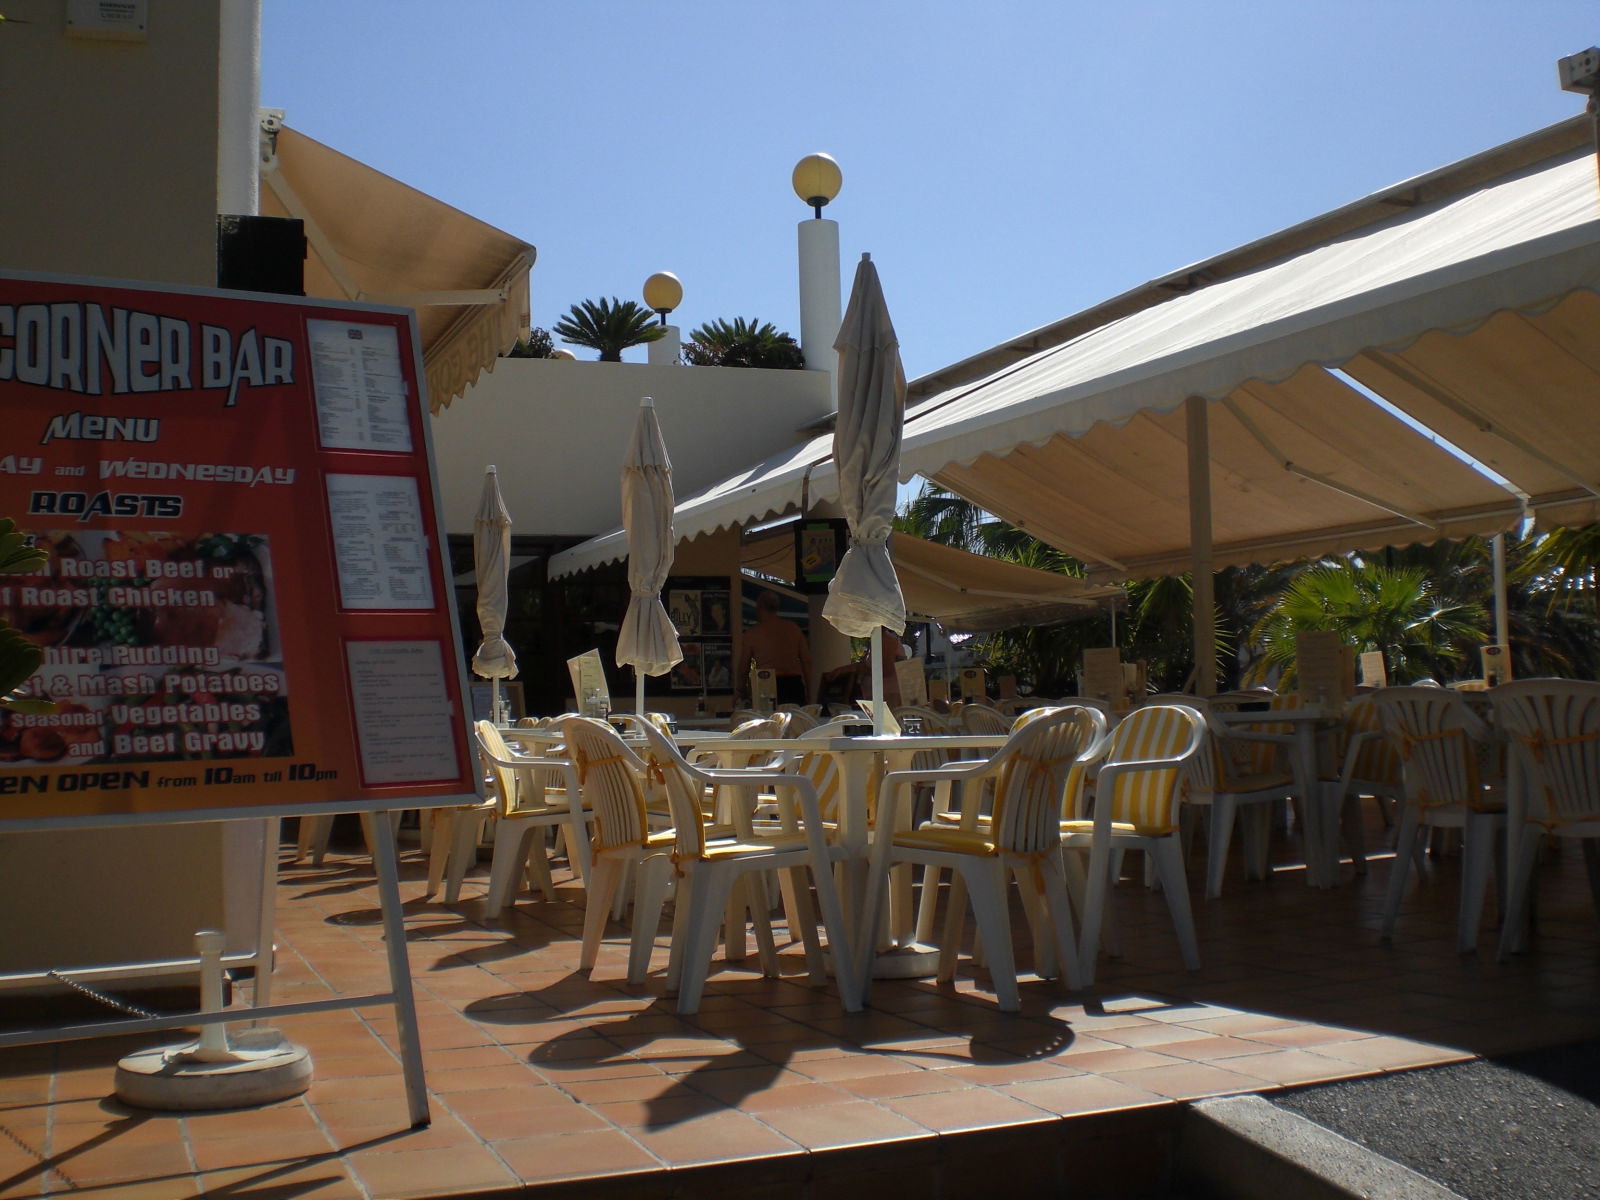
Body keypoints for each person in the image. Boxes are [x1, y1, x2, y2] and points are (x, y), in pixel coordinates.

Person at [741, 591, 812, 706]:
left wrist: (740, 692)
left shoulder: (752, 634)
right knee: (795, 721)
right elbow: (807, 662)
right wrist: (810, 692)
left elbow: (743, 668)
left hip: (766, 683)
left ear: (759, 607)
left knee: (769, 722)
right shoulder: (793, 629)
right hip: (793, 683)